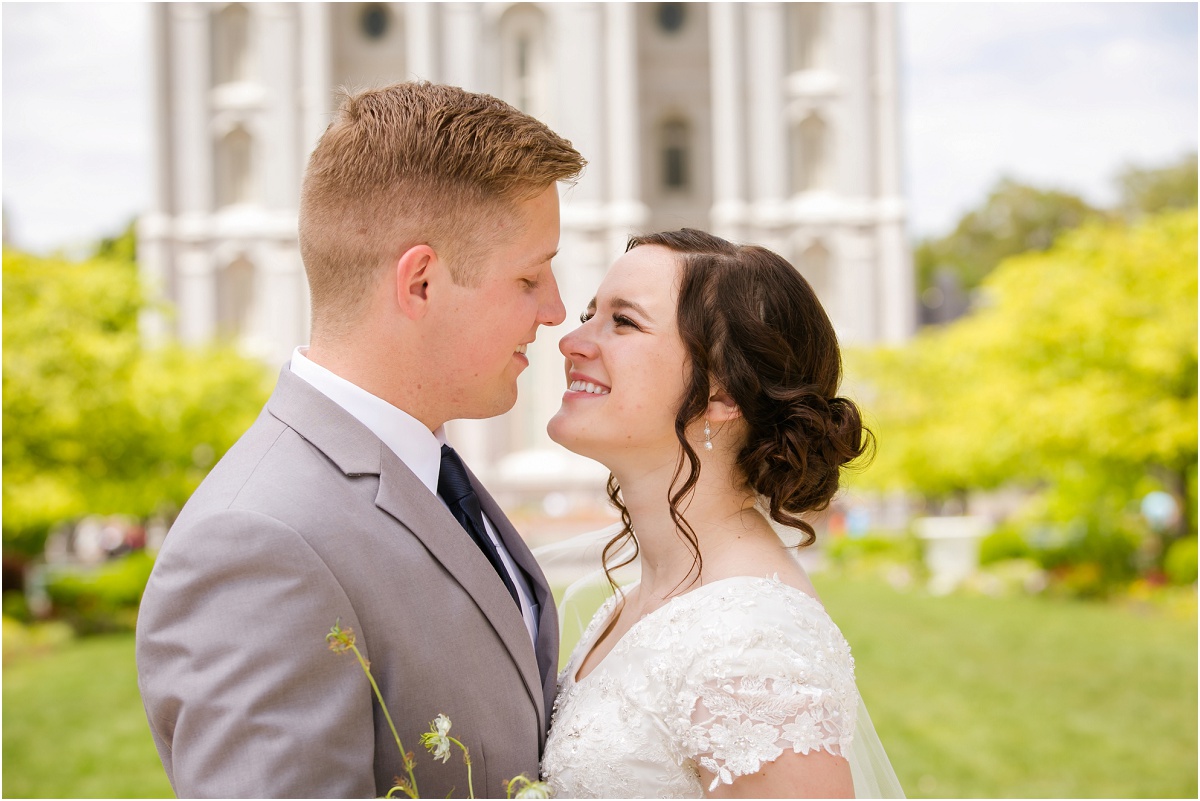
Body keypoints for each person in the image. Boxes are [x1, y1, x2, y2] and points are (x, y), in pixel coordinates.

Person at [135, 81, 585, 798]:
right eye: (530, 277)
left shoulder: (430, 469)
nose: (557, 310)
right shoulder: (256, 545)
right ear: (423, 283)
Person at [538, 229, 904, 798]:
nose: (572, 341)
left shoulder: (754, 647)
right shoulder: (633, 603)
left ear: (722, 394)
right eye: (591, 314)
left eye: (623, 322)